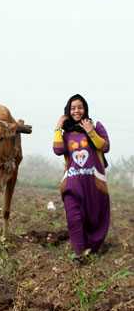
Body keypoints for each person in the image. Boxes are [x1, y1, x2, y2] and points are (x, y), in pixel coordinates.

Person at [53, 94, 110, 261]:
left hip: (94, 183)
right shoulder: (66, 133)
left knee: (94, 219)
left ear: (85, 109)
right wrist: (58, 127)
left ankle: (90, 250)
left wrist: (90, 132)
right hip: (72, 182)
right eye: (73, 108)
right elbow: (57, 150)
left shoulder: (96, 126)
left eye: (80, 107)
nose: (76, 111)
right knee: (73, 218)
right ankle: (79, 254)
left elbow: (105, 147)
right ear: (68, 111)